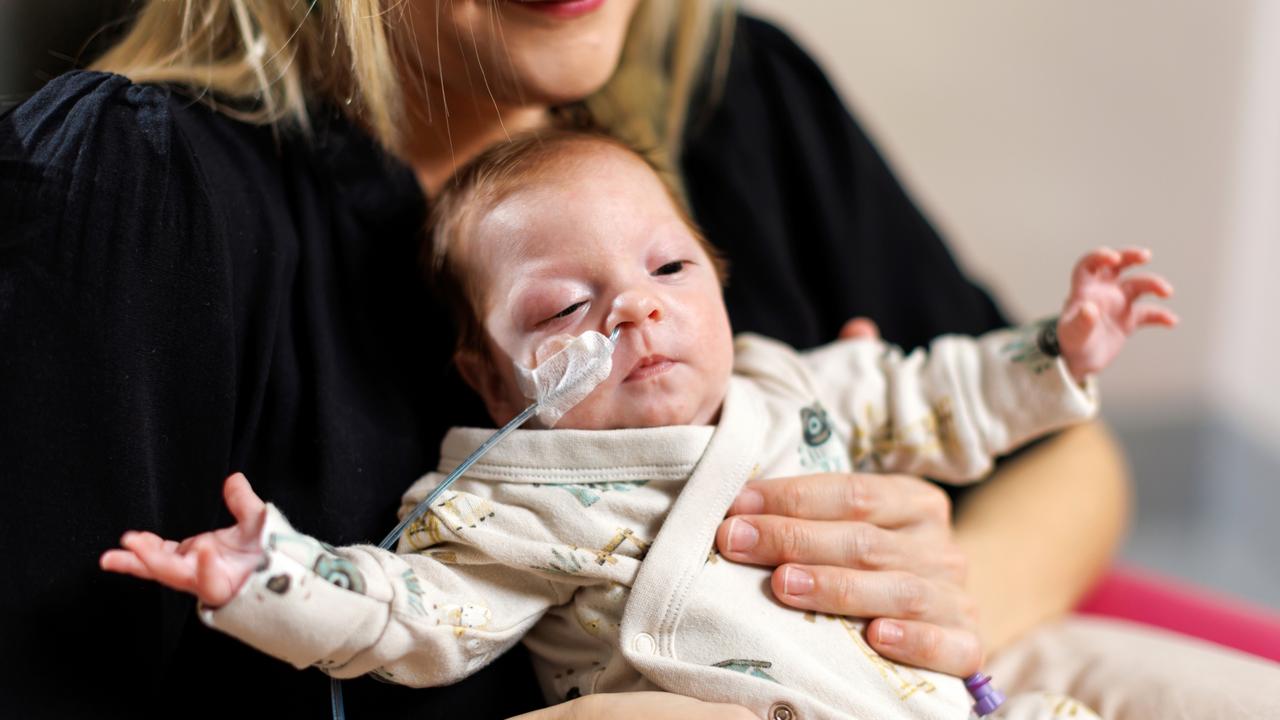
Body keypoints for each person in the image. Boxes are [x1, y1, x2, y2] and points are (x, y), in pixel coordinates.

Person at [7, 1, 1275, 719]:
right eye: (565, 306)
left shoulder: (739, 105)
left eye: (672, 272)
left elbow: (1020, 435)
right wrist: (267, 573)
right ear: (487, 378)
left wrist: (927, 606)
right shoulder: (135, 190)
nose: (638, 318)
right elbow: (405, 611)